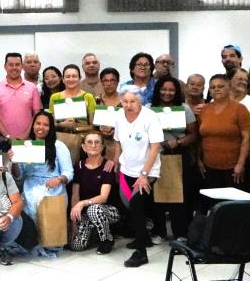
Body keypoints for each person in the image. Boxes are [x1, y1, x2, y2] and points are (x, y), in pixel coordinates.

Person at [110, 85, 163, 268]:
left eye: (133, 101)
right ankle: (144, 238)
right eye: (125, 101)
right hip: (126, 169)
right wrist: (116, 162)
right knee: (128, 205)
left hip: (147, 172)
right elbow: (118, 141)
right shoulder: (118, 116)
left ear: (139, 100)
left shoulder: (150, 117)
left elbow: (156, 147)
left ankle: (141, 252)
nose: (128, 105)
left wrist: (144, 174)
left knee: (136, 205)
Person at [12, 111, 73, 257]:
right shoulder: (26, 146)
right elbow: (20, 176)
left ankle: (49, 241)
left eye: (46, 125)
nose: (41, 127)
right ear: (33, 125)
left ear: (51, 128)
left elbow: (69, 172)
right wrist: (14, 161)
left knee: (44, 199)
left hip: (52, 186)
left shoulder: (58, 146)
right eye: (38, 123)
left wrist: (58, 179)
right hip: (30, 186)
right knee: (28, 199)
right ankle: (32, 241)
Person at [150, 76, 198, 239]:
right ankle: (159, 232)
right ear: (158, 90)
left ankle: (180, 233)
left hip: (178, 154)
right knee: (155, 195)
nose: (167, 93)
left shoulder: (184, 108)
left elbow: (193, 134)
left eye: (171, 90)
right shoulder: (149, 108)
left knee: (179, 195)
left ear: (177, 91)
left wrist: (177, 142)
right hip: (154, 156)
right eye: (164, 89)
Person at [198, 74, 250, 209]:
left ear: (229, 87)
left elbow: (246, 138)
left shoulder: (239, 109)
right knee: (214, 204)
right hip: (210, 166)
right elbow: (201, 137)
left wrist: (240, 164)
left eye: (220, 86)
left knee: (233, 205)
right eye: (212, 87)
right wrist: (200, 160)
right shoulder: (204, 110)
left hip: (233, 168)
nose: (216, 89)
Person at [70, 131, 119, 254]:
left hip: (108, 210)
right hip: (86, 212)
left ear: (102, 147)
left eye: (97, 142)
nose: (93, 145)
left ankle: (106, 239)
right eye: (89, 142)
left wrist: (82, 203)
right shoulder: (79, 166)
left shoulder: (107, 166)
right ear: (83, 146)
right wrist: (74, 223)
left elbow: (103, 197)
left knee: (94, 209)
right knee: (76, 246)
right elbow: (75, 196)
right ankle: (94, 233)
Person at [0, 53, 42, 141]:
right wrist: (7, 136)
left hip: (27, 140)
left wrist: (26, 135)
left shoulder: (32, 87)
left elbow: (37, 114)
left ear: (22, 66)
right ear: (5, 66)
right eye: (10, 65)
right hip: (3, 141)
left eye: (17, 64)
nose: (14, 67)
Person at [47, 64, 97, 134]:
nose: (71, 79)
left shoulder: (88, 97)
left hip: (83, 139)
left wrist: (76, 129)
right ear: (63, 79)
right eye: (67, 77)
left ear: (80, 78)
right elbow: (51, 125)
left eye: (74, 76)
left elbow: (93, 126)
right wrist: (61, 125)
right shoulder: (55, 97)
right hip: (62, 138)